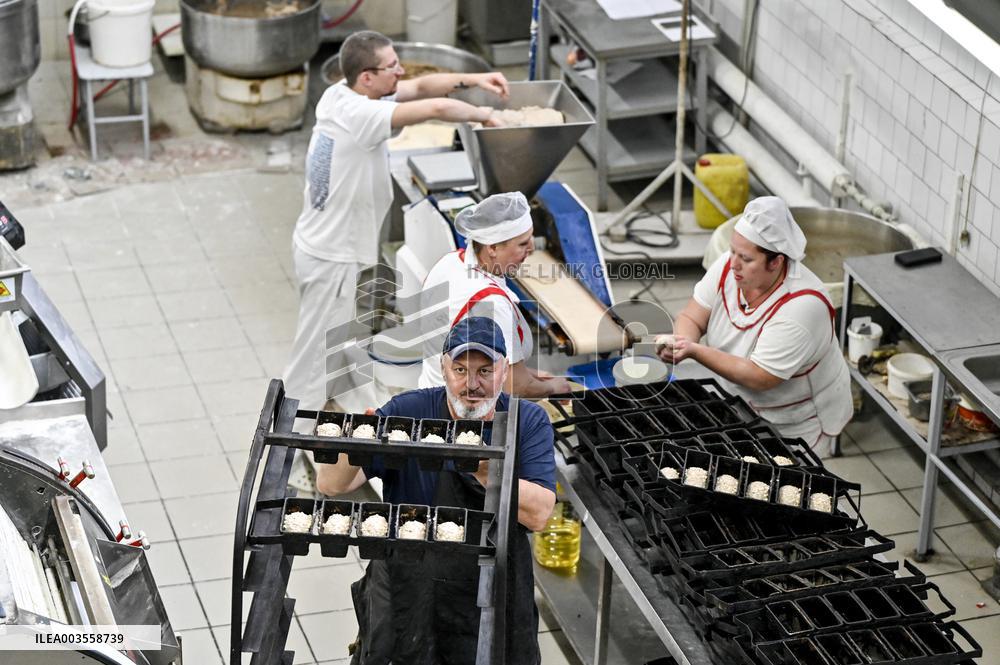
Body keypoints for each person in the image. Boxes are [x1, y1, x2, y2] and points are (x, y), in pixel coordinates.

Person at [283, 30, 510, 416]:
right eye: (392, 67)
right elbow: (434, 108)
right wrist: (486, 114)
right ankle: (292, 443)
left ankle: (349, 408)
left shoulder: (343, 93)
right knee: (313, 358)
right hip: (331, 256)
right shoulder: (360, 114)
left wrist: (474, 81)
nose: (400, 72)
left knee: (340, 339)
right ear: (367, 76)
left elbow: (420, 86)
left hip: (322, 245)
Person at [317, 316, 556, 665]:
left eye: (485, 372)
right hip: (408, 588)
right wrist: (358, 444)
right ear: (443, 370)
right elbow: (331, 484)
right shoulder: (409, 412)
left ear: (505, 372)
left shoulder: (527, 422)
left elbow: (539, 515)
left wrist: (480, 464)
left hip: (486, 592)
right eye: (460, 370)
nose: (471, 384)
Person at [656, 196, 852, 453]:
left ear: (776, 262)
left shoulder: (801, 308)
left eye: (746, 259)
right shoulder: (729, 266)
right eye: (733, 251)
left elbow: (760, 377)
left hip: (793, 422)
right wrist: (681, 341)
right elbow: (692, 317)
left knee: (789, 483)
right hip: (737, 404)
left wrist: (693, 350)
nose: (734, 263)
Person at [417, 191, 571, 397]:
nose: (532, 248)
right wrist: (553, 388)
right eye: (523, 243)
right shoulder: (491, 304)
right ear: (492, 248)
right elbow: (515, 387)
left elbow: (488, 365)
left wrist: (530, 375)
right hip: (465, 413)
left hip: (431, 394)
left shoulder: (450, 262)